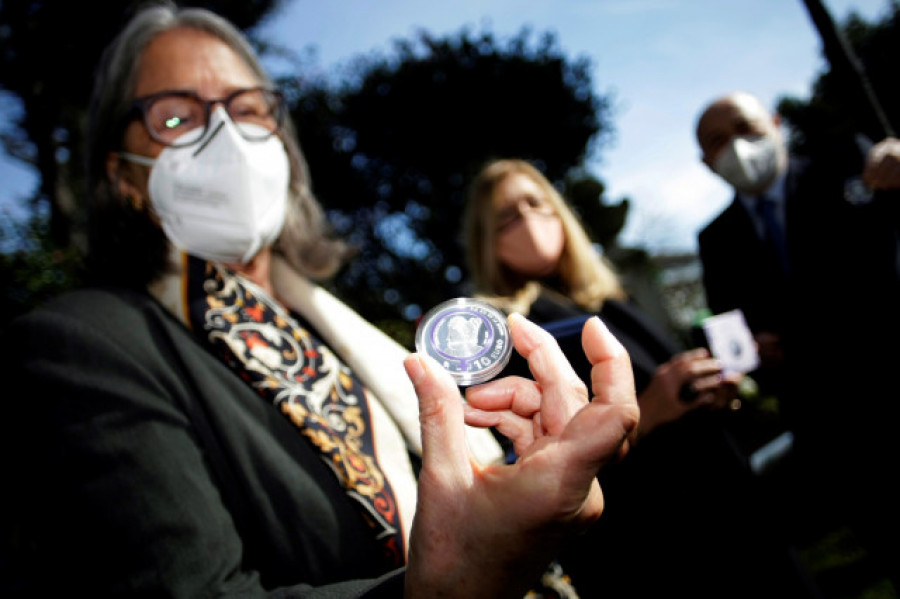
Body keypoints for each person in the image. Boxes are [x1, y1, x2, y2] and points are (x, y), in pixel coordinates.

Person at [0, 4, 643, 597]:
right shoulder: (85, 345)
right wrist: (448, 585)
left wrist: (523, 486)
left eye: (248, 108)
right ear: (123, 177)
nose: (223, 135)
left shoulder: (340, 332)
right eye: (176, 116)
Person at [462, 158, 821, 598]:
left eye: (535, 203)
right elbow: (531, 460)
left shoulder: (612, 298)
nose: (528, 221)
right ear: (487, 240)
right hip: (656, 541)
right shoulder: (504, 330)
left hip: (728, 497)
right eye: (507, 216)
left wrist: (711, 390)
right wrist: (647, 412)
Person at [695, 91, 900, 590]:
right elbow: (731, 331)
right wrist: (753, 352)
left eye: (745, 129)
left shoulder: (853, 163)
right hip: (830, 426)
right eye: (718, 142)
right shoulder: (715, 239)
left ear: (775, 122)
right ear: (706, 162)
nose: (737, 148)